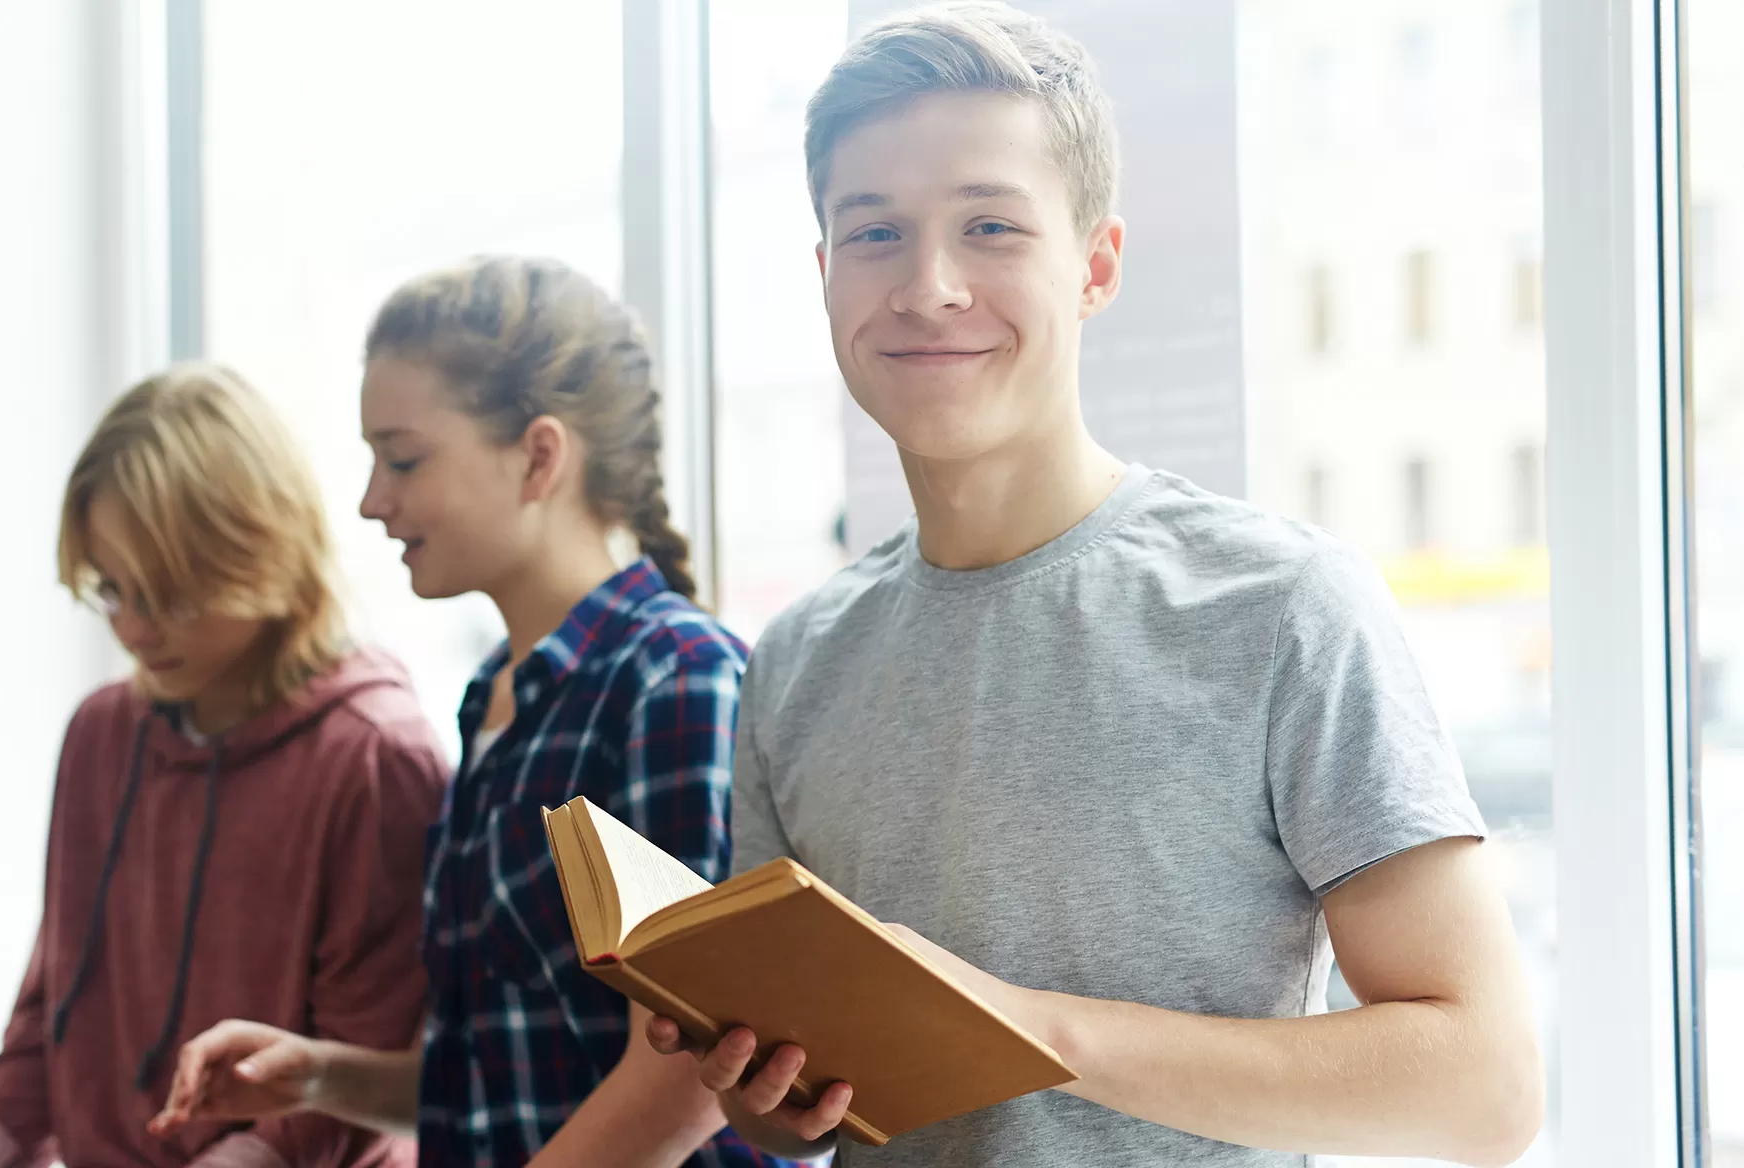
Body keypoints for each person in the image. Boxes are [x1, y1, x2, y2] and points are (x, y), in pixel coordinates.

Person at [631, 5, 1544, 1166]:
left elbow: (1485, 1087)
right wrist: (763, 1079)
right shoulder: (798, 655)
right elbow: (788, 1120)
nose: (927, 285)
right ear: (823, 276)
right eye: (873, 235)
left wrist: (1030, 1029)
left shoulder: (1282, 605)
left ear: (1095, 265)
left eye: (989, 226)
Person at [148, 257, 792, 1168]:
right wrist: (320, 1076)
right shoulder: (492, 702)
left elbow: (689, 1075)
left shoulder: (676, 681)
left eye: (403, 459)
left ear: (538, 456)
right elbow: (498, 1079)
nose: (373, 502)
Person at [0, 364, 447, 1168]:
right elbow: (49, 1022)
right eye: (110, 589)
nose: (131, 628)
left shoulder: (377, 759)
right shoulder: (100, 735)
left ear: (260, 552)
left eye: (165, 593)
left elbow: (364, 1081)